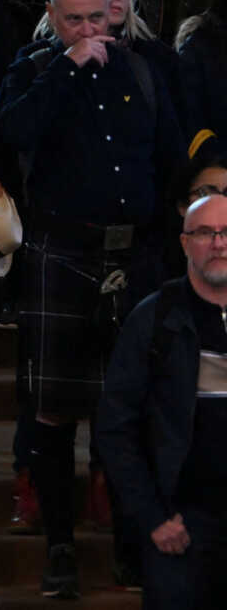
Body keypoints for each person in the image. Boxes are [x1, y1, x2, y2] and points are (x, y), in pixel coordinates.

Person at [0, 0, 185, 597]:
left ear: (115, 8)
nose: (88, 30)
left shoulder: (143, 68)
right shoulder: (34, 68)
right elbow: (13, 133)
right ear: (53, 17)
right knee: (53, 415)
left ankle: (132, 548)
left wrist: (160, 252)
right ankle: (60, 547)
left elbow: (171, 161)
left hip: (136, 262)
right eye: (73, 18)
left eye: (96, 16)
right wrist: (67, 65)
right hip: (62, 254)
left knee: (131, 412)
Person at [97, 192, 227, 610]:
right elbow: (116, 428)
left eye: (226, 233)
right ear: (185, 242)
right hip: (180, 527)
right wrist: (151, 516)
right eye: (205, 232)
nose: (218, 243)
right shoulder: (153, 320)